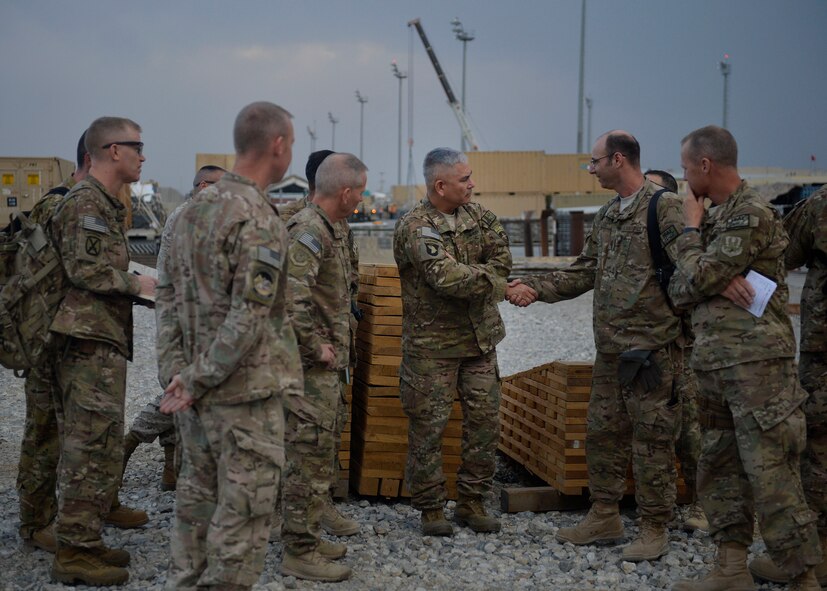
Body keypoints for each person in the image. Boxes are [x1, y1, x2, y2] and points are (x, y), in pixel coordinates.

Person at [515, 131, 685, 562]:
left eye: (594, 163)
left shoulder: (664, 207)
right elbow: (584, 271)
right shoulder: (609, 215)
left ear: (618, 159)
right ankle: (605, 514)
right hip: (610, 350)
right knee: (603, 435)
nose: (590, 171)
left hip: (651, 352)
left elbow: (693, 269)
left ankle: (653, 527)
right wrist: (533, 289)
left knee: (652, 442)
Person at [668, 125, 821, 590]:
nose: (684, 176)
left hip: (757, 368)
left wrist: (692, 238)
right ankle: (731, 569)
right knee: (720, 469)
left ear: (705, 165)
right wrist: (705, 273)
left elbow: (696, 277)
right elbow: (680, 289)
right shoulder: (719, 217)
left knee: (771, 472)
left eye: (686, 166)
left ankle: (804, 578)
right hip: (715, 364)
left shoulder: (748, 214)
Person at [156, 101, 302, 591]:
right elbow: (249, 316)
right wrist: (195, 378)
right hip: (244, 397)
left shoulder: (191, 211)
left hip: (195, 397)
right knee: (242, 524)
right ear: (278, 145)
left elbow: (168, 296)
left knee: (195, 512)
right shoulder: (258, 217)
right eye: (291, 145)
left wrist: (179, 374)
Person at [393, 147, 533, 537]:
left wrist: (485, 276)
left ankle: (472, 502)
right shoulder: (416, 225)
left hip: (479, 342)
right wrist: (497, 285)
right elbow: (444, 276)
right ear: (440, 185)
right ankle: (431, 508)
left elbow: (503, 259)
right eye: (464, 179)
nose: (472, 184)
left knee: (484, 425)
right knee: (428, 429)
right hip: (432, 347)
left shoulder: (481, 217)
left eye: (470, 177)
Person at [48, 117, 157, 586]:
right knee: (87, 445)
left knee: (100, 441)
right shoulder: (87, 203)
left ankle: (85, 539)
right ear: (113, 150)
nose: (142, 155)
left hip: (100, 339)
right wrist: (140, 283)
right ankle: (74, 550)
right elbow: (86, 271)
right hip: (86, 342)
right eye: (137, 147)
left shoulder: (105, 205)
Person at [280, 153, 368, 582]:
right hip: (308, 369)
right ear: (346, 192)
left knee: (318, 456)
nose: (361, 199)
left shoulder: (331, 228)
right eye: (361, 191)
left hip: (324, 368)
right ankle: (298, 548)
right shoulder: (310, 231)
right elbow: (289, 298)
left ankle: (308, 537)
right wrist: (317, 347)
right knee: (306, 459)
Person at [120, 165, 226, 493]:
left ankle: (169, 466)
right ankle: (133, 440)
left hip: (186, 318)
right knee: (183, 390)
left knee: (183, 391)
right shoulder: (190, 217)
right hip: (184, 321)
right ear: (204, 186)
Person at [16, 131, 91, 554]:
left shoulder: (78, 203)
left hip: (65, 334)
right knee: (43, 432)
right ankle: (33, 522)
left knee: (72, 433)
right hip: (46, 335)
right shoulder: (59, 204)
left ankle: (71, 510)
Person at [644, 168, 708, 533]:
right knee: (656, 428)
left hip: (685, 345)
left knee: (692, 429)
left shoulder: (679, 231)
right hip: (652, 346)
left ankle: (703, 504)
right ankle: (659, 506)